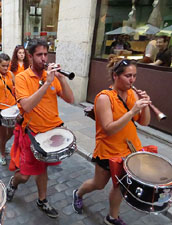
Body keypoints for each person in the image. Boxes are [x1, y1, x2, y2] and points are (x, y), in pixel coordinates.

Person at [72, 55, 151, 225]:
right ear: (116, 76)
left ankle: (112, 217)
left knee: (120, 186)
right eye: (128, 76)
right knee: (98, 184)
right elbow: (108, 129)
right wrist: (131, 112)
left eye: (134, 76)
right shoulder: (104, 98)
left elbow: (144, 122)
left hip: (130, 149)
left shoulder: (132, 95)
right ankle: (78, 193)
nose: (132, 80)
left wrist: (146, 106)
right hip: (108, 151)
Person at [6, 39, 74, 218]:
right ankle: (13, 182)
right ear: (30, 56)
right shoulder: (21, 78)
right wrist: (46, 84)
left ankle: (42, 200)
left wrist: (62, 79)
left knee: (43, 169)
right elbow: (27, 106)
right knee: (26, 174)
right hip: (32, 134)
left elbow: (70, 99)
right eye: (39, 55)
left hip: (51, 133)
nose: (44, 58)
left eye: (46, 54)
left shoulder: (51, 75)